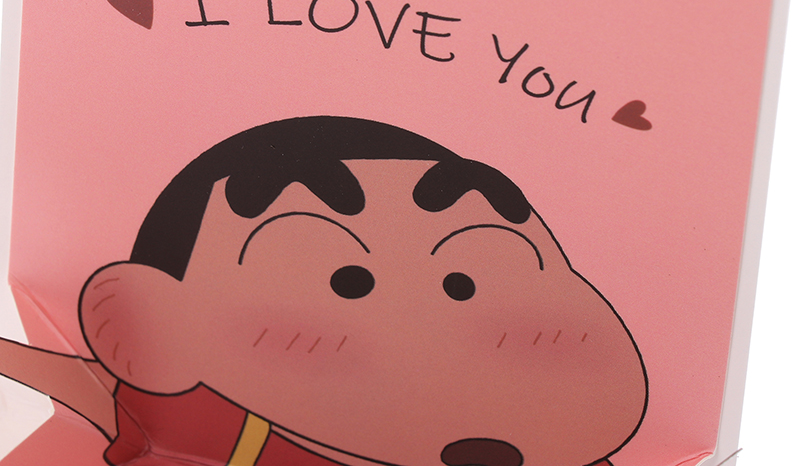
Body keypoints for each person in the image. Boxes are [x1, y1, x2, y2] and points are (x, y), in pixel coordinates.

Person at [0, 116, 647, 466]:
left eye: (465, 280)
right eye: (348, 281)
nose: (413, 325)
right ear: (147, 324)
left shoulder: (561, 440)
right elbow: (88, 383)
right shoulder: (213, 424)